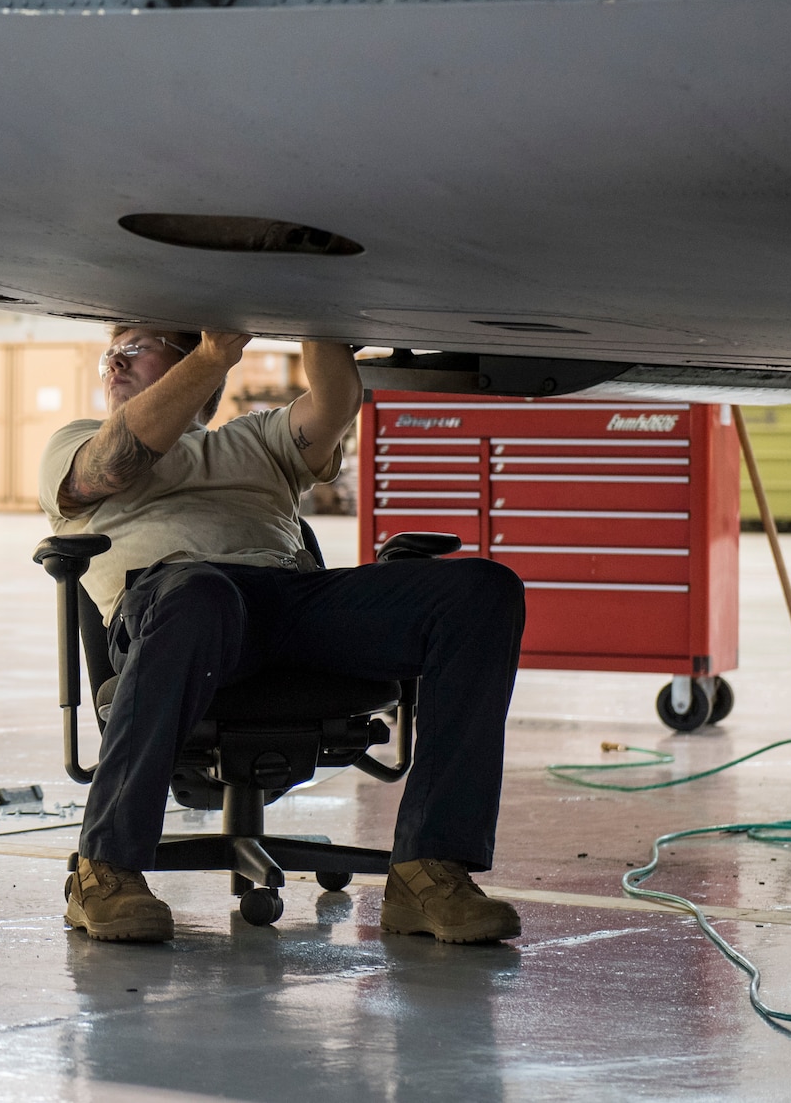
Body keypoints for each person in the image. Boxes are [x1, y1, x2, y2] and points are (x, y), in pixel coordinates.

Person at [39, 327, 526, 945]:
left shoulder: (258, 440)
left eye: (139, 343)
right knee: (201, 592)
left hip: (290, 598)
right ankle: (104, 868)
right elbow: (110, 464)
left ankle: (428, 867)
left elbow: (334, 402)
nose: (114, 358)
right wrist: (217, 352)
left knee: (482, 592)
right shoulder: (75, 441)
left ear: (193, 362)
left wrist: (309, 310)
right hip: (176, 606)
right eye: (112, 348)